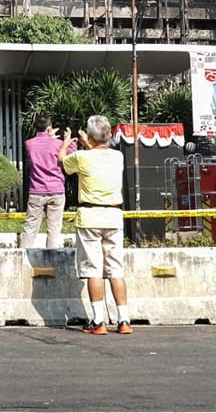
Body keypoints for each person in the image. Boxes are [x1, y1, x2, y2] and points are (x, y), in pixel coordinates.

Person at [58, 115, 132, 335]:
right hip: (113, 216)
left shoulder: (82, 157)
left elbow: (62, 160)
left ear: (89, 137)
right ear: (109, 135)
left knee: (93, 270)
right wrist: (89, 143)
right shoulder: (118, 156)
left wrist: (69, 142)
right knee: (115, 269)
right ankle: (123, 319)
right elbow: (100, 149)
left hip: (90, 216)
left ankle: (98, 321)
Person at [22, 116, 76, 249]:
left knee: (30, 228)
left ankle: (22, 258)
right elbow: (71, 155)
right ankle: (51, 262)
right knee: (54, 229)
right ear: (49, 127)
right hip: (56, 190)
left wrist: (49, 135)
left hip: (36, 191)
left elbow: (41, 147)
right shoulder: (58, 144)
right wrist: (68, 142)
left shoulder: (29, 144)